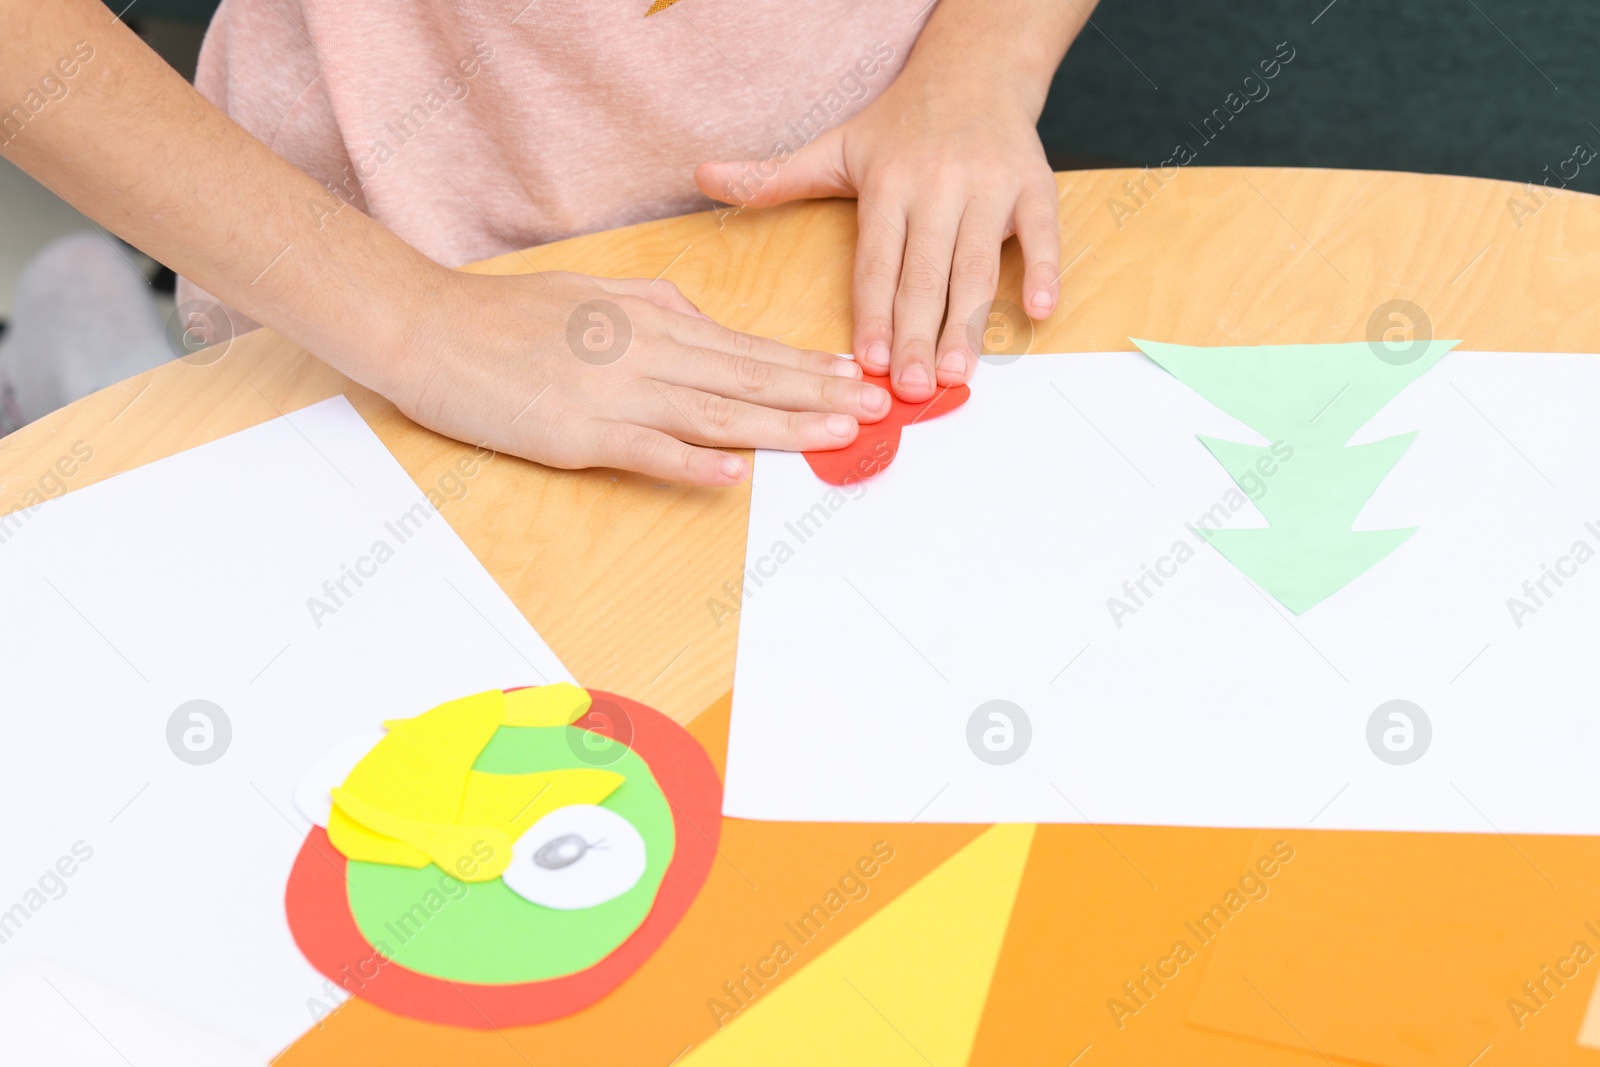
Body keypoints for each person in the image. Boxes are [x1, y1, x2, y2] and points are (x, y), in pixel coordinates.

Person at [0, 0, 1090, 484]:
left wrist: (983, 57)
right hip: (383, 281)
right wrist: (417, 322)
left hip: (851, 221)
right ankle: (92, 374)